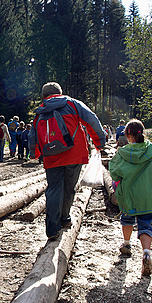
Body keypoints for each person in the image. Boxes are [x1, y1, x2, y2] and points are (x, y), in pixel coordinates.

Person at [29, 82, 106, 241]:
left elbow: (33, 134)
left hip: (51, 155)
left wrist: (34, 153)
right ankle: (64, 218)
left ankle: (52, 228)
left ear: (44, 96)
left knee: (54, 189)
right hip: (74, 153)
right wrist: (99, 142)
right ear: (60, 92)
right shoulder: (72, 103)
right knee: (69, 187)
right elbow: (91, 120)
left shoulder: (40, 111)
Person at [109, 119, 152, 276]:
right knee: (145, 224)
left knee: (127, 219)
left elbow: (114, 173)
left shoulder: (122, 152)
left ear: (128, 134)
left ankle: (126, 245)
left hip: (129, 195)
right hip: (148, 196)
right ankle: (146, 252)